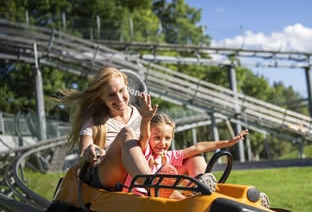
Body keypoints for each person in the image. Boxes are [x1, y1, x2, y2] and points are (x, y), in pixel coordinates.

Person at [59, 67, 210, 191]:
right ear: (101, 97)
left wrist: (147, 120)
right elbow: (82, 157)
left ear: (128, 88)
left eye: (122, 91)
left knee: (194, 158)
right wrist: (88, 152)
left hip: (143, 171)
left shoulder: (140, 113)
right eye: (111, 95)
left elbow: (152, 143)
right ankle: (152, 185)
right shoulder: (94, 121)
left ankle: (200, 194)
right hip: (107, 175)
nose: (119, 99)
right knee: (127, 133)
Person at [123, 94, 249, 198]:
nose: (162, 143)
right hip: (138, 196)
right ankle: (200, 198)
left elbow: (198, 147)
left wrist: (227, 143)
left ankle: (203, 194)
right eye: (157, 138)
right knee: (172, 193)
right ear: (150, 135)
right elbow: (144, 136)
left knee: (196, 157)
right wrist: (145, 119)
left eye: (167, 138)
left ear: (172, 138)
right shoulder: (144, 150)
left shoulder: (167, 156)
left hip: (158, 194)